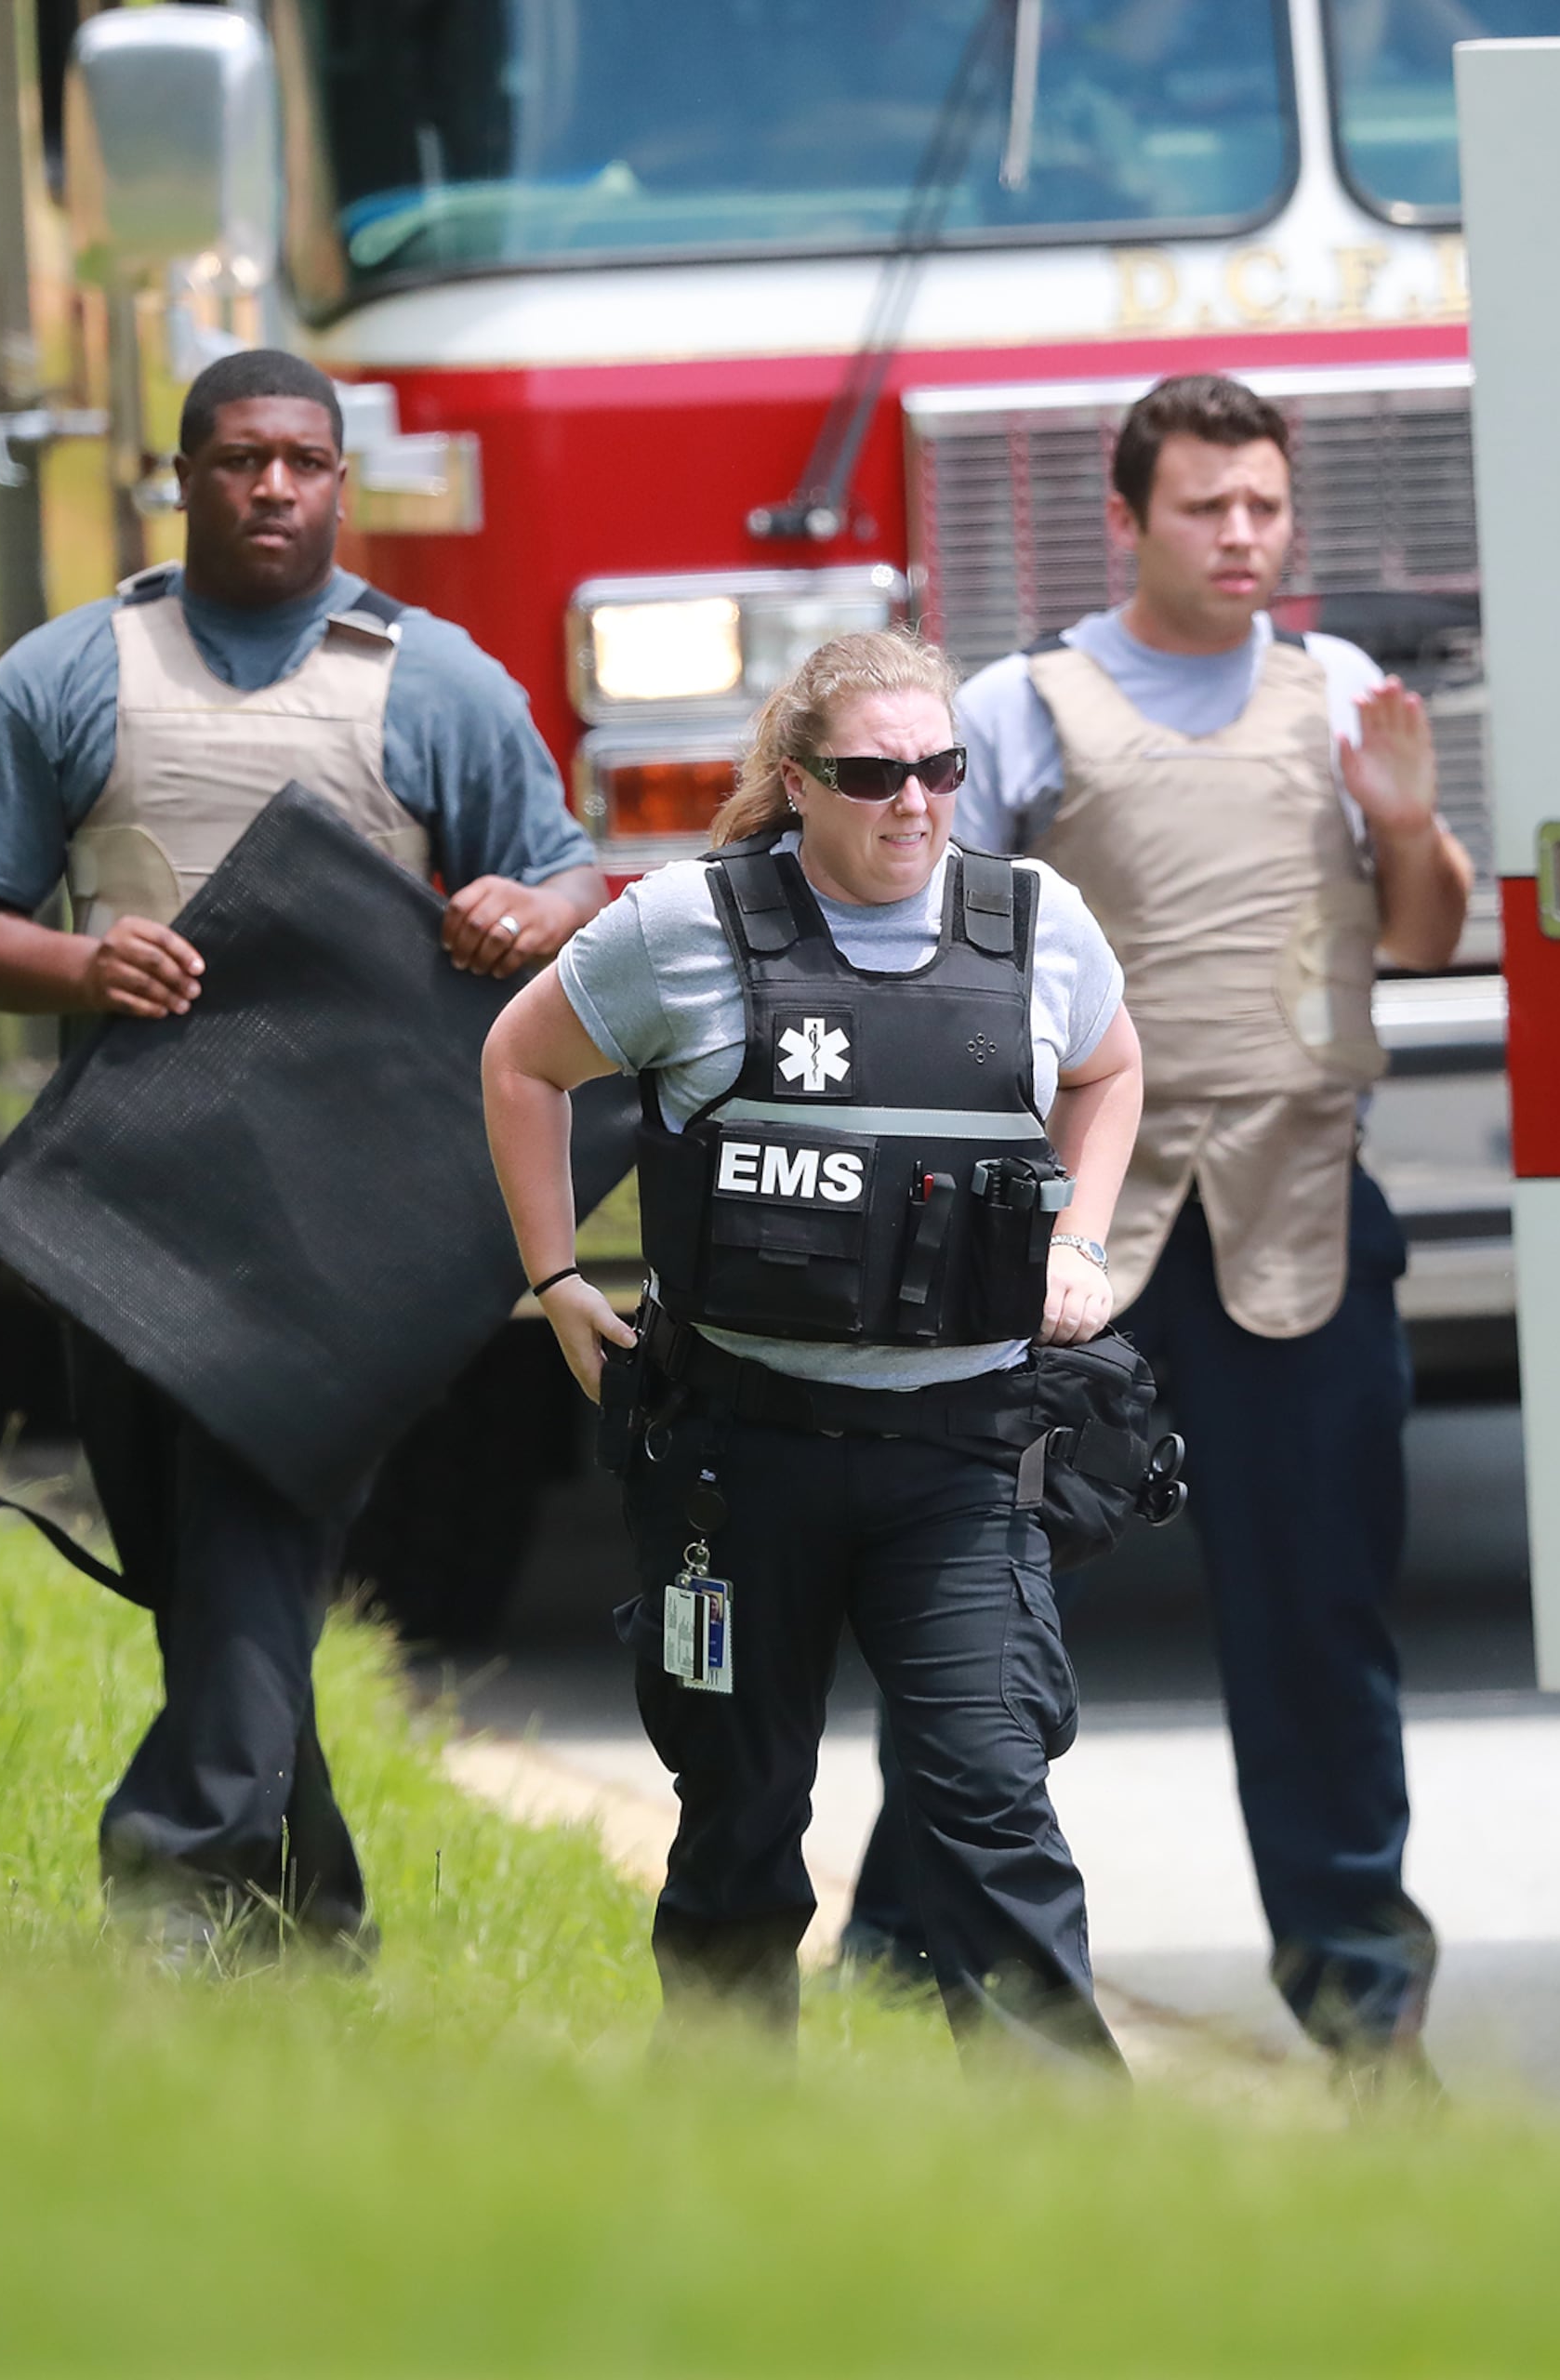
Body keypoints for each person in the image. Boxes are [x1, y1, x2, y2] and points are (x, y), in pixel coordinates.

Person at [0, 347, 603, 1963]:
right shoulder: (68, 677)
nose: (272, 488)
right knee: (198, 1557)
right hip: (127, 1199)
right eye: (236, 461)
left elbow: (572, 882)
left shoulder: (435, 685)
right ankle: (317, 1918)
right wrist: (82, 966)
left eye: (301, 461)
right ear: (180, 477)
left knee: (246, 1516)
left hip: (340, 1222)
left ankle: (176, 1877)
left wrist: (530, 911)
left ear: (343, 482)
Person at [842, 374, 1476, 2083]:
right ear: (1130, 522)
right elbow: (906, 925)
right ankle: (910, 1971)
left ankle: (1366, 2006)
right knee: (990, 1620)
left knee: (1320, 1635)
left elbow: (1423, 940)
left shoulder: (1337, 693)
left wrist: (1409, 826)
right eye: (1207, 507)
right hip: (1069, 1250)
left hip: (1299, 1230)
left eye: (1265, 504)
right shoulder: (1023, 708)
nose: (1243, 535)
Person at [480, 628, 1144, 2065]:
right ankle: (729, 2163)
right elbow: (522, 1060)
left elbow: (1108, 1065)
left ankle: (1081, 2194)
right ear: (797, 784)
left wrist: (1079, 1246)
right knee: (738, 1826)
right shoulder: (686, 928)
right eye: (874, 775)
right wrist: (553, 1279)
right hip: (739, 1466)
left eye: (943, 770)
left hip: (961, 1463)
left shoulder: (1035, 922)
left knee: (991, 1814)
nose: (915, 802)